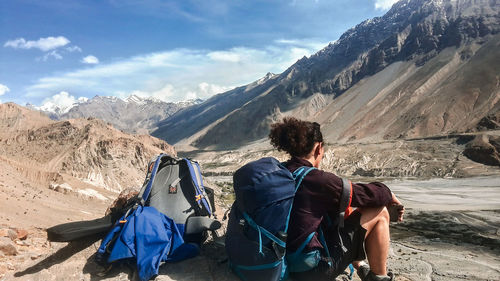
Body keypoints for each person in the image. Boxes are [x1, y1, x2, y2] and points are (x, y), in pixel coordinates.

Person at [268, 117, 404, 281]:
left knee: (343, 212)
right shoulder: (317, 179)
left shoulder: (281, 172)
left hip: (279, 259)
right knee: (380, 212)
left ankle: (359, 264)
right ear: (318, 148)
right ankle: (379, 278)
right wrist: (389, 194)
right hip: (311, 271)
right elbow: (371, 195)